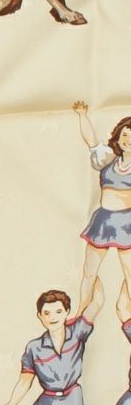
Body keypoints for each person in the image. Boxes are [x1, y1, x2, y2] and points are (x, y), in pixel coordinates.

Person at [2, 282, 103, 405]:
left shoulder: (78, 332)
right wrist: (12, 403)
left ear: (66, 312)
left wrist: (93, 272)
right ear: (40, 316)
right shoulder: (34, 347)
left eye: (58, 311)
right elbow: (25, 380)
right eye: (47, 313)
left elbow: (97, 302)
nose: (52, 317)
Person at [74, 101, 131, 320]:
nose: (128, 140)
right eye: (125, 135)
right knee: (89, 272)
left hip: (127, 223)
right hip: (104, 221)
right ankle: (79, 314)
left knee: (130, 274)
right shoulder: (109, 158)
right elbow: (91, 142)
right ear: (118, 136)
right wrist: (82, 115)